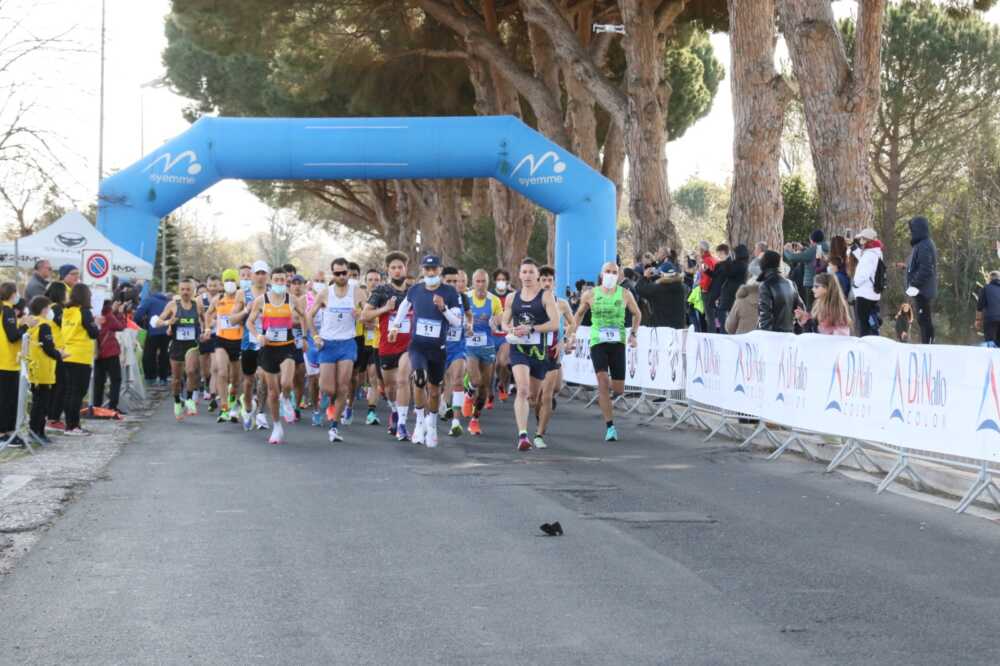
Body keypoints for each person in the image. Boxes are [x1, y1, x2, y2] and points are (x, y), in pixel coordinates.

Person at [387, 255, 462, 448]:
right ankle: (420, 422)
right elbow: (404, 308)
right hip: (417, 345)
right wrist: (394, 327)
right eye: (427, 269)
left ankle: (433, 425)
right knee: (419, 379)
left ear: (440, 270)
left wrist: (443, 308)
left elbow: (457, 321)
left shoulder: (450, 292)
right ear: (422, 270)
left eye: (434, 269)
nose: (430, 273)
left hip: (438, 348)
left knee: (435, 391)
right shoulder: (415, 290)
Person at [571, 261, 641, 443]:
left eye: (614, 272)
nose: (610, 275)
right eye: (607, 271)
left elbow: (637, 313)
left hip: (617, 343)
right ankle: (610, 427)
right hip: (598, 342)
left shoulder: (625, 294)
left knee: (618, 389)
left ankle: (607, 395)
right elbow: (578, 314)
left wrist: (633, 334)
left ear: (618, 275)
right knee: (602, 381)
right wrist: (571, 334)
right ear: (601, 274)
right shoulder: (590, 294)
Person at [502, 258, 561, 450]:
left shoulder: (546, 297)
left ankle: (535, 427)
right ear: (519, 275)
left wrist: (531, 329)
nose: (527, 276)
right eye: (524, 272)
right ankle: (523, 435)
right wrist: (511, 329)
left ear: (537, 275)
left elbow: (554, 324)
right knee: (523, 389)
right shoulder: (512, 298)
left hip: (539, 352)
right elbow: (504, 323)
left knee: (533, 397)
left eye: (531, 272)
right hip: (519, 349)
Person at [247, 266, 310, 445]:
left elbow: (304, 317)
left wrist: (304, 337)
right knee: (273, 392)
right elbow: (250, 322)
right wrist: (258, 335)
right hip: (268, 349)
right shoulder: (261, 300)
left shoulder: (292, 299)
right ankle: (276, 426)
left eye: (283, 280)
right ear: (271, 281)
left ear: (286, 282)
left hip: (287, 346)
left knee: (286, 383)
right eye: (277, 280)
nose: (280, 283)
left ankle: (287, 398)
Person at [308, 258, 366, 443]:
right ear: (332, 274)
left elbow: (368, 315)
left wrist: (361, 316)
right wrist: (315, 336)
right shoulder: (326, 293)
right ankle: (326, 400)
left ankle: (334, 426)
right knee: (328, 387)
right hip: (328, 344)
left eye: (344, 273)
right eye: (337, 273)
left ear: (349, 272)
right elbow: (309, 315)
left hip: (347, 343)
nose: (341, 276)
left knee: (343, 386)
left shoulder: (358, 293)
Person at [363, 251, 413, 440]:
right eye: (393, 268)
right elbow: (364, 316)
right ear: (388, 270)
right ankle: (394, 410)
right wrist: (385, 309)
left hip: (408, 346)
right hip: (386, 345)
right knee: (391, 388)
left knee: (402, 381)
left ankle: (401, 424)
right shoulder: (381, 291)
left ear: (406, 269)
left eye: (400, 267)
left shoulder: (413, 291)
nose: (397, 271)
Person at [534, 265, 577, 449]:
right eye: (543, 280)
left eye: (549, 280)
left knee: (551, 392)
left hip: (554, 351)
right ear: (538, 282)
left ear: (554, 283)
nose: (546, 283)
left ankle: (539, 434)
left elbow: (572, 323)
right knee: (537, 397)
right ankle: (540, 414)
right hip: (535, 352)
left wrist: (565, 340)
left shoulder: (562, 303)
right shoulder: (531, 302)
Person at [157, 278, 206, 421]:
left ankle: (190, 399)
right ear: (179, 291)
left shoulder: (197, 306)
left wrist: (205, 330)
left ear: (193, 291)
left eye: (188, 289)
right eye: (183, 289)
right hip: (177, 345)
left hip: (192, 344)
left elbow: (205, 319)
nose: (185, 292)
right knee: (177, 379)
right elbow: (157, 321)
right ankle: (178, 401)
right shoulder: (172, 305)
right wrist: (168, 322)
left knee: (191, 371)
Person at [463, 269, 503, 437]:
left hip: (487, 346)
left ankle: (475, 419)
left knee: (485, 388)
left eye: (483, 282)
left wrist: (497, 322)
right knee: (476, 380)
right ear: (473, 282)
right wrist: (465, 327)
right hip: (469, 345)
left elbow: (500, 318)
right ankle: (468, 392)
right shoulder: (466, 298)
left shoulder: (493, 301)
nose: (480, 285)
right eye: (477, 281)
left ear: (488, 283)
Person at [205, 268, 245, 423]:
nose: (230, 283)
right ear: (223, 283)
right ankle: (224, 408)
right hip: (221, 340)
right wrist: (208, 328)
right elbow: (208, 314)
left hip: (238, 341)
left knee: (235, 380)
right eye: (227, 280)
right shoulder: (218, 299)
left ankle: (233, 401)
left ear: (237, 282)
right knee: (222, 372)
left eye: (232, 280)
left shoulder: (241, 299)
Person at [61, 283, 99, 436]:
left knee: (70, 391)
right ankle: (73, 426)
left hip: (66, 354)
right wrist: (96, 325)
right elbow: (93, 333)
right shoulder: (85, 312)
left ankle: (69, 425)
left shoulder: (67, 311)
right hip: (80, 356)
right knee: (78, 392)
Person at [237, 262, 270, 431]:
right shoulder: (243, 294)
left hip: (267, 341)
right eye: (258, 273)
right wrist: (245, 311)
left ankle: (261, 413)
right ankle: (248, 408)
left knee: (263, 377)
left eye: (264, 273)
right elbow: (232, 319)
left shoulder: (273, 294)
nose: (261, 276)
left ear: (267, 275)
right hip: (248, 341)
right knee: (249, 381)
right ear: (252, 275)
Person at [0, 283, 34, 443]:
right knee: (8, 400)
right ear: (12, 294)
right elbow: (13, 336)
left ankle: (6, 431)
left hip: (5, 360)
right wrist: (26, 326)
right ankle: (5, 433)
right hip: (7, 361)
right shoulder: (7, 311)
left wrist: (20, 324)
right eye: (16, 293)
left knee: (6, 398)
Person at [440, 267, 471, 437]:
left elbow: (468, 315)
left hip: (457, 346)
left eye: (456, 281)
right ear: (442, 281)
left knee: (458, 379)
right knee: (439, 382)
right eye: (449, 281)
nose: (453, 284)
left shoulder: (463, 298)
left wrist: (469, 325)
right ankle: (441, 405)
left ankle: (456, 422)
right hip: (438, 347)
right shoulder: (434, 298)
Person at [27, 296, 62, 444]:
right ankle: (38, 432)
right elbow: (48, 347)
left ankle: (35, 431)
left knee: (37, 402)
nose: (50, 311)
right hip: (43, 367)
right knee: (42, 403)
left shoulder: (31, 323)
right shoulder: (44, 325)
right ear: (43, 309)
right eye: (48, 308)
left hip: (34, 367)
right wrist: (59, 355)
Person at [905, 216, 938, 344]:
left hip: (922, 290)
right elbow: (919, 265)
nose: (911, 232)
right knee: (923, 319)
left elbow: (926, 268)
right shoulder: (921, 244)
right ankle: (927, 343)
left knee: (924, 319)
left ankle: (928, 345)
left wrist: (914, 284)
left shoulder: (924, 244)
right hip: (921, 289)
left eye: (912, 229)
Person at [757, 251, 804, 333]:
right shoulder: (790, 284)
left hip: (773, 336)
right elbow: (801, 309)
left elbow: (764, 317)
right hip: (789, 334)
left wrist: (764, 337)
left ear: (764, 263)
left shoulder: (765, 285)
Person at [93, 298, 127, 414]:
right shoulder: (108, 314)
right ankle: (112, 406)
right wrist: (120, 312)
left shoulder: (94, 314)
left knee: (99, 381)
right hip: (110, 352)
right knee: (115, 379)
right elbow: (121, 326)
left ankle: (96, 405)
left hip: (98, 352)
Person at [44, 281, 69, 431]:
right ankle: (53, 418)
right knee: (60, 385)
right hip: (58, 350)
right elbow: (63, 326)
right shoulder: (57, 309)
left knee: (56, 384)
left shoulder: (50, 308)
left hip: (55, 349)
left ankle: (51, 416)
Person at [851, 228, 884, 337]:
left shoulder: (869, 254)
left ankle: (865, 345)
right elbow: (863, 258)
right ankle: (874, 339)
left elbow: (863, 273)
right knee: (871, 320)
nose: (860, 241)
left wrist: (855, 283)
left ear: (866, 240)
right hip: (872, 293)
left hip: (864, 293)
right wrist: (854, 248)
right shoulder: (876, 251)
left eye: (862, 239)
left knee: (863, 323)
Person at [783, 230, 829, 309]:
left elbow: (793, 257)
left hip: (811, 283)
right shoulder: (826, 247)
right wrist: (804, 249)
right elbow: (814, 257)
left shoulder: (814, 249)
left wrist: (786, 250)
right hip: (825, 281)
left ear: (812, 240)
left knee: (811, 308)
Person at [135, 288, 171, 385]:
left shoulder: (149, 300)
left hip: (153, 330)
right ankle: (164, 377)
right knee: (164, 354)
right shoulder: (168, 302)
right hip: (167, 331)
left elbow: (138, 315)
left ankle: (151, 378)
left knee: (149, 354)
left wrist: (139, 323)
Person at [362, 268, 383, 426]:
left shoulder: (384, 299)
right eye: (370, 280)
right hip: (358, 341)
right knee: (353, 379)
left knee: (373, 377)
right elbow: (358, 317)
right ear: (366, 282)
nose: (374, 282)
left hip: (375, 342)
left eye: (376, 279)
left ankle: (371, 412)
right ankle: (347, 406)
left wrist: (373, 322)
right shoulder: (358, 297)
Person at [197, 275, 221, 408]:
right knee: (205, 368)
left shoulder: (223, 298)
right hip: (205, 334)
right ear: (207, 286)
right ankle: (206, 382)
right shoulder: (201, 300)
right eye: (210, 285)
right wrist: (203, 330)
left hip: (218, 335)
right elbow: (200, 318)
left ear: (220, 286)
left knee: (215, 366)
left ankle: (213, 393)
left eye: (215, 285)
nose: (212, 288)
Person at [716, 244, 749, 333]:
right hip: (732, 293)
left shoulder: (740, 264)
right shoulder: (741, 264)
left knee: (724, 317)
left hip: (731, 294)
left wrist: (725, 261)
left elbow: (727, 272)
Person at [492, 268, 513, 402]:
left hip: (506, 334)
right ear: (494, 282)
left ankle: (502, 385)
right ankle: (488, 393)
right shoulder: (490, 296)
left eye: (503, 280)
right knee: (491, 366)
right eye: (499, 280)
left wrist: (510, 325)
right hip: (491, 334)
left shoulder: (512, 295)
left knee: (503, 363)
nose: (501, 282)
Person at [697, 241, 718, 332]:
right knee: (711, 316)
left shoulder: (706, 260)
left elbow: (707, 276)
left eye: (698, 248)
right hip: (711, 290)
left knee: (709, 317)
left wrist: (704, 288)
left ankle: (711, 336)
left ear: (702, 250)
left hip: (707, 290)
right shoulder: (711, 259)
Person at [978, 271, 1000, 347]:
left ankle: (990, 358)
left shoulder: (986, 288)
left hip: (990, 319)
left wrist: (978, 320)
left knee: (990, 343)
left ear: (989, 279)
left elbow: (980, 306)